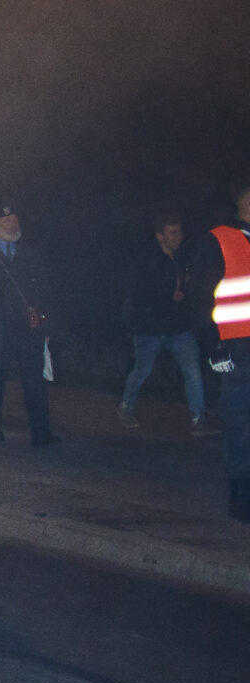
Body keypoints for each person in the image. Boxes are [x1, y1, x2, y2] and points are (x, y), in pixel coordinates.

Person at [187, 182, 250, 521]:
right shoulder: (220, 240)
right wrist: (214, 347)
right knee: (241, 424)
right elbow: (200, 297)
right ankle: (241, 495)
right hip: (238, 349)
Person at [120, 214, 210, 434]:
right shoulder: (148, 260)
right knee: (142, 369)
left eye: (179, 231)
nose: (179, 236)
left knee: (192, 370)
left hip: (178, 328)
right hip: (151, 328)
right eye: (172, 232)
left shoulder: (182, 259)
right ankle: (126, 405)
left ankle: (198, 419)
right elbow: (139, 291)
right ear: (159, 236)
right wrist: (169, 294)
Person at [0, 204, 58, 448]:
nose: (13, 225)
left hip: (28, 326)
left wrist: (44, 320)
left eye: (15, 219)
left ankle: (41, 432)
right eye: (6, 221)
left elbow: (45, 288)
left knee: (34, 381)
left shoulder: (31, 253)